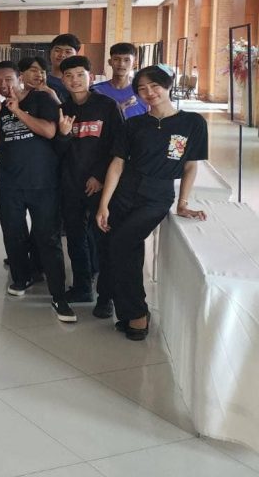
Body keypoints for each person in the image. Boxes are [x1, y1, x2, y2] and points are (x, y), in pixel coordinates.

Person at [95, 65, 207, 339]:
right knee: (123, 249)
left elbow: (190, 166)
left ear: (167, 86)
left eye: (154, 86)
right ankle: (126, 312)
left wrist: (182, 203)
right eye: (142, 89)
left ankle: (137, 314)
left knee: (122, 243)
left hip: (157, 195)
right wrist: (104, 204)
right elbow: (118, 164)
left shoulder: (192, 123)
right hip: (125, 190)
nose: (149, 93)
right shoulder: (134, 124)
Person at [0, 60, 75, 322]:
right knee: (13, 234)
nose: (3, 84)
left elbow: (49, 131)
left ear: (20, 78)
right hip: (9, 183)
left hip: (43, 183)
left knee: (48, 238)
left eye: (8, 79)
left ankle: (58, 295)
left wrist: (19, 112)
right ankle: (21, 277)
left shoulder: (41, 99)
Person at [54, 56, 124, 304]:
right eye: (69, 76)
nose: (75, 80)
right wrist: (63, 135)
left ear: (91, 77)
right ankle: (83, 287)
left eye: (80, 75)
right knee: (75, 238)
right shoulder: (63, 109)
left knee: (103, 238)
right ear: (63, 80)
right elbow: (58, 151)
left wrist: (100, 176)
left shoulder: (107, 106)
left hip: (100, 185)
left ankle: (106, 298)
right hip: (71, 184)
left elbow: (118, 146)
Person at [92, 42, 148, 118]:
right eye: (116, 59)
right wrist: (115, 112)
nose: (121, 64)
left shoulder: (142, 92)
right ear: (110, 62)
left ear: (134, 64)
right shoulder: (96, 91)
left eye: (126, 60)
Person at [46, 34, 81, 104]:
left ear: (76, 55)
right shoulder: (41, 81)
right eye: (57, 50)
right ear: (50, 53)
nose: (62, 55)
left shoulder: (80, 83)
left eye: (68, 52)